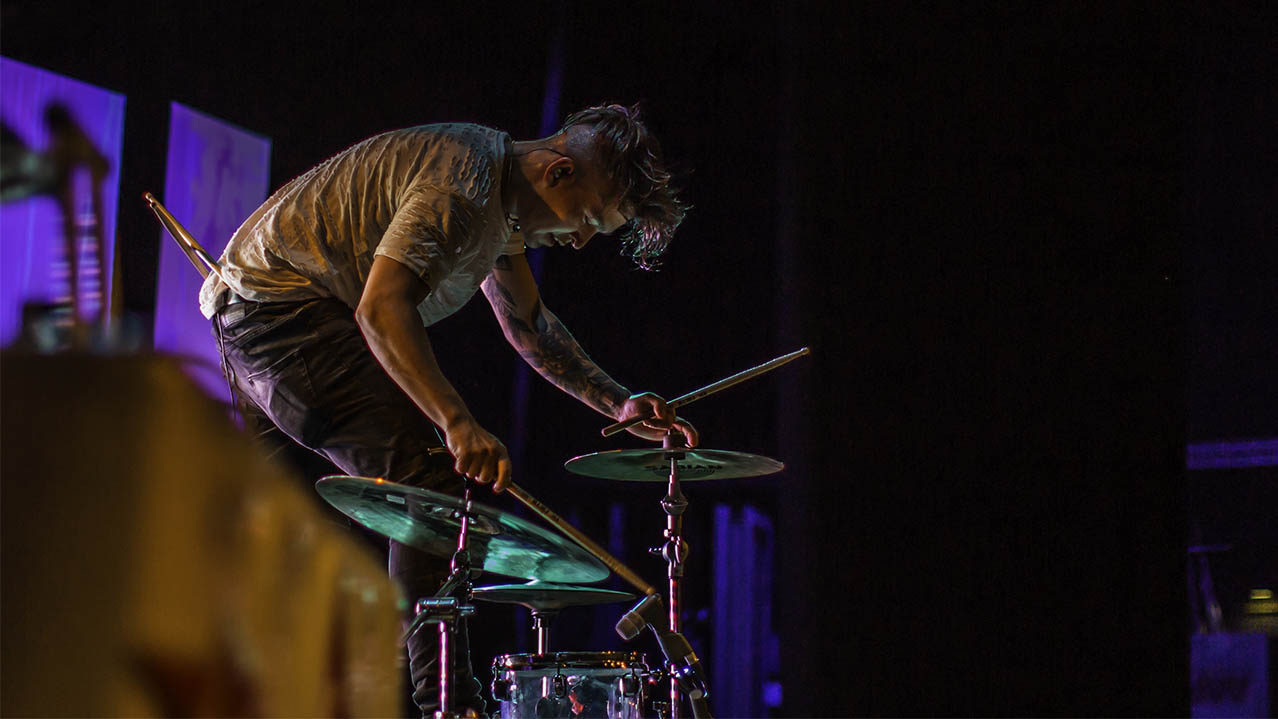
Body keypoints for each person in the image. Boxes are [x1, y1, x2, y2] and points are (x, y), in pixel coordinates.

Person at [198, 103, 697, 716]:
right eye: (590, 218)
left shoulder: (500, 201)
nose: (581, 240)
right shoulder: (464, 186)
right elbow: (382, 309)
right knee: (428, 486)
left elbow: (531, 327)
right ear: (557, 172)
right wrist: (457, 422)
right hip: (284, 322)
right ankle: (448, 704)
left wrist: (618, 403)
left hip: (255, 320)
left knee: (313, 532)